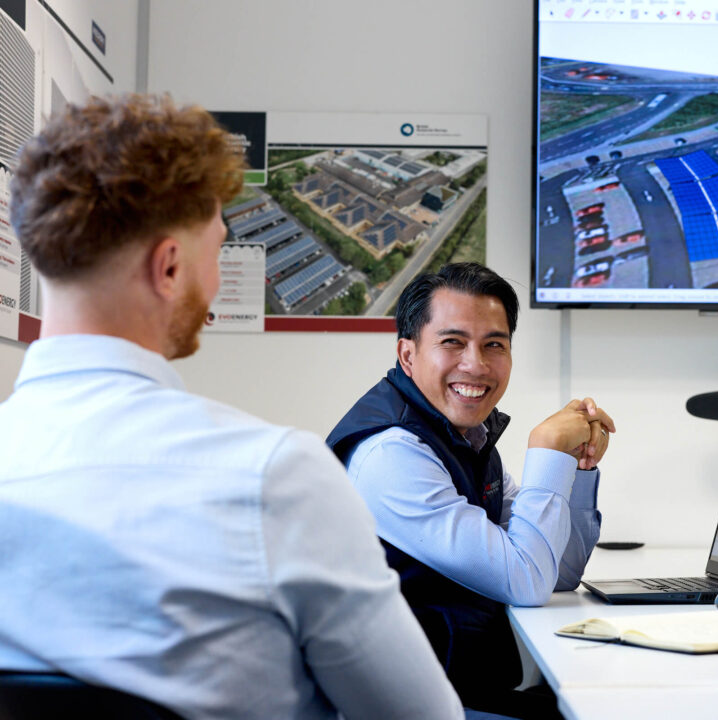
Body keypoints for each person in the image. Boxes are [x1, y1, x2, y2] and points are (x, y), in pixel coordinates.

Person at [0, 94, 466, 719]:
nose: (216, 281)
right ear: (169, 267)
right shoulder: (275, 476)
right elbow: (422, 717)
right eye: (216, 250)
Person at [326, 263, 615, 717]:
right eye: (452, 342)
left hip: (460, 687)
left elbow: (556, 571)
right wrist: (545, 449)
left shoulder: (466, 437)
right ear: (407, 354)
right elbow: (526, 580)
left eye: (493, 345)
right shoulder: (391, 455)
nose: (476, 365)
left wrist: (573, 465)